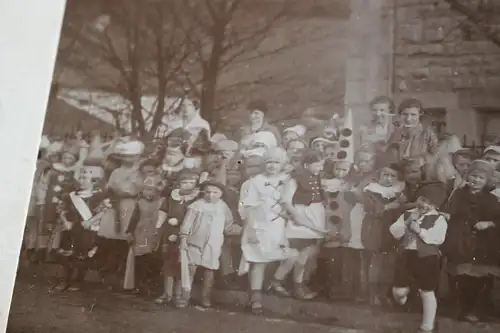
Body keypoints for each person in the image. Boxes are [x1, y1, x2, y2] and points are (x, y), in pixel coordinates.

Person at [238, 147, 298, 313]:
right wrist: (250, 230)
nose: (272, 166)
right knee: (259, 261)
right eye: (269, 162)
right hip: (259, 225)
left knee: (292, 256)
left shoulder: (287, 181)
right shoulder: (256, 181)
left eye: (276, 162)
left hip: (279, 226)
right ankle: (255, 298)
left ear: (283, 164)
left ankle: (276, 281)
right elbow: (249, 207)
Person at [442, 159, 500, 323]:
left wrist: (489, 223)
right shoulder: (458, 194)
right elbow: (449, 211)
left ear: (486, 181)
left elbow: (498, 219)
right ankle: (461, 308)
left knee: (480, 277)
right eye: (474, 176)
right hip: (460, 240)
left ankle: (476, 309)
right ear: (468, 176)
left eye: (481, 178)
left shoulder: (491, 199)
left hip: (482, 243)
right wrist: (448, 216)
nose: (476, 180)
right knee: (460, 276)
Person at [389, 183, 448, 333]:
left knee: (427, 291)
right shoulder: (408, 213)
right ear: (417, 199)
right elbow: (395, 232)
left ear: (436, 206)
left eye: (430, 203)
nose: (425, 205)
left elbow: (438, 239)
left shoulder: (438, 219)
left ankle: (427, 326)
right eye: (422, 200)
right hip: (407, 255)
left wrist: (420, 231)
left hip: (428, 258)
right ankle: (402, 299)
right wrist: (407, 224)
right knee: (398, 291)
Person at [270, 150, 327, 300]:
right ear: (307, 165)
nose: (320, 168)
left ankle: (298, 286)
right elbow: (286, 201)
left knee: (305, 256)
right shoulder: (295, 179)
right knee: (295, 255)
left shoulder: (317, 178)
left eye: (322, 165)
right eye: (318, 165)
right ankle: (277, 282)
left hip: (315, 217)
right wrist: (297, 216)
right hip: (301, 217)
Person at [178, 181, 241, 308]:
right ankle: (184, 297)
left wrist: (243, 229)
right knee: (189, 269)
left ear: (221, 194)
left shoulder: (223, 207)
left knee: (209, 270)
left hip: (213, 243)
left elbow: (228, 226)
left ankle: (205, 297)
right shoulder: (196, 206)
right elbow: (187, 224)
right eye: (207, 192)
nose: (210, 195)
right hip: (194, 242)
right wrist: (184, 238)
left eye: (215, 192)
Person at [352, 162, 404, 305]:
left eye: (392, 176)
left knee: (389, 263)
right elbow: (371, 208)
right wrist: (389, 206)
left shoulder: (399, 191)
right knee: (375, 262)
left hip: (391, 229)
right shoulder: (371, 191)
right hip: (375, 228)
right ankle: (372, 294)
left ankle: (383, 292)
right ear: (378, 176)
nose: (388, 179)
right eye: (385, 175)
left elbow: (403, 207)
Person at [55, 161, 111, 292]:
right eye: (80, 177)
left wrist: (91, 222)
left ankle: (78, 281)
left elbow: (103, 212)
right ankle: (66, 280)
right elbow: (61, 210)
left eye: (85, 178)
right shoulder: (70, 196)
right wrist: (65, 221)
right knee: (66, 255)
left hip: (87, 229)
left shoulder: (99, 196)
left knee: (82, 256)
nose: (81, 180)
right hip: (71, 228)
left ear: (94, 181)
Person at [154, 170, 200, 305]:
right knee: (169, 262)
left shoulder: (196, 199)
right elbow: (163, 211)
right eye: (184, 182)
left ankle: (179, 295)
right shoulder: (172, 197)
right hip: (170, 233)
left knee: (183, 263)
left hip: (187, 234)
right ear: (179, 184)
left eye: (191, 183)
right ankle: (167, 293)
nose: (187, 185)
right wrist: (158, 226)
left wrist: (180, 223)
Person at [124, 175, 166, 296]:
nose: (148, 192)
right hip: (141, 233)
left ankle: (152, 286)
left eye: (151, 189)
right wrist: (130, 233)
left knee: (153, 259)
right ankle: (139, 285)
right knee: (140, 260)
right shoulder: (140, 202)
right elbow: (134, 219)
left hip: (155, 233)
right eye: (145, 189)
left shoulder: (162, 202)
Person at [387, 98, 438, 164]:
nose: (408, 119)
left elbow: (436, 155)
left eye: (413, 115)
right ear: (400, 115)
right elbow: (388, 156)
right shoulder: (395, 134)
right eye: (405, 114)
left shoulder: (428, 134)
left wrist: (422, 160)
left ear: (420, 114)